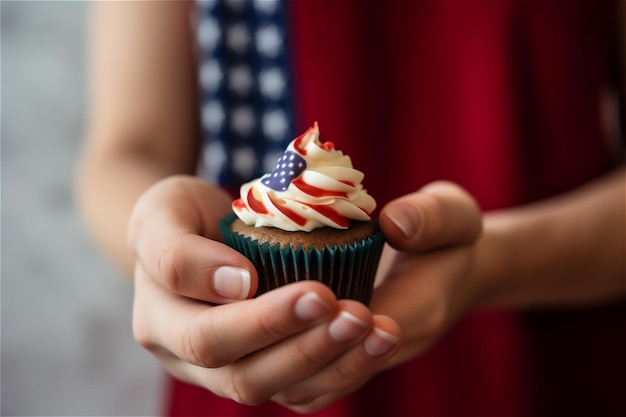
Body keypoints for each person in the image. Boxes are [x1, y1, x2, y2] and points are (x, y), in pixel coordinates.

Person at [77, 1, 625, 416]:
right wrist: (163, 245)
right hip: (242, 369)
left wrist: (489, 260)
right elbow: (128, 153)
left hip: (539, 366)